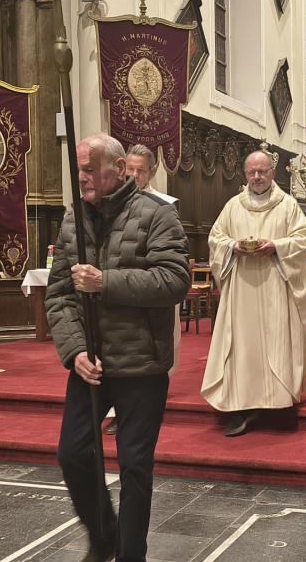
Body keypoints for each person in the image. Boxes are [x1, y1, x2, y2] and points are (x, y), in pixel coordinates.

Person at [46, 133, 189, 562]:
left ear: (119, 168)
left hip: (140, 362)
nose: (82, 177)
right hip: (90, 362)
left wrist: (106, 282)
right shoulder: (74, 218)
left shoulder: (157, 215)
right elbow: (58, 293)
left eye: (90, 169)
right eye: (79, 170)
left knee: (134, 465)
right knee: (72, 453)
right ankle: (104, 535)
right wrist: (75, 352)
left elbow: (174, 280)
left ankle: (131, 555)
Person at [201, 149, 306, 437]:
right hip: (242, 289)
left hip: (275, 285)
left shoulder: (287, 206)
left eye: (262, 171)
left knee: (276, 342)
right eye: (252, 172)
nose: (257, 177)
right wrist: (233, 247)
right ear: (245, 174)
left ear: (272, 173)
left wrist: (276, 246)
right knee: (242, 347)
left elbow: (302, 237)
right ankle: (241, 407)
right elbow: (216, 238)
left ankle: (279, 402)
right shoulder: (233, 206)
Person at [99, 144, 179, 437]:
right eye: (129, 170)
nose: (133, 176)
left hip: (148, 298)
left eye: (140, 171)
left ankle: (143, 408)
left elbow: (169, 263)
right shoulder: (105, 205)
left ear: (151, 172)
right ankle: (117, 411)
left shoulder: (163, 206)